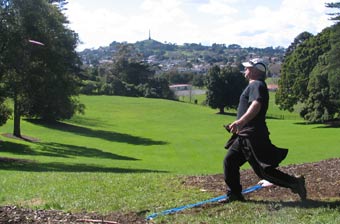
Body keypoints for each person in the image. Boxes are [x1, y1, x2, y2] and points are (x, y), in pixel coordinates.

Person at [222, 58, 307, 202]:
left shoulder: (257, 85)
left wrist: (241, 121)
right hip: (244, 135)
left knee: (264, 171)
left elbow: (257, 104)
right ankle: (234, 193)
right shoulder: (254, 85)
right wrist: (239, 124)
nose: (245, 70)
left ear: (256, 71)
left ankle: (295, 183)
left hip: (253, 135)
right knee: (230, 161)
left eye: (248, 68)